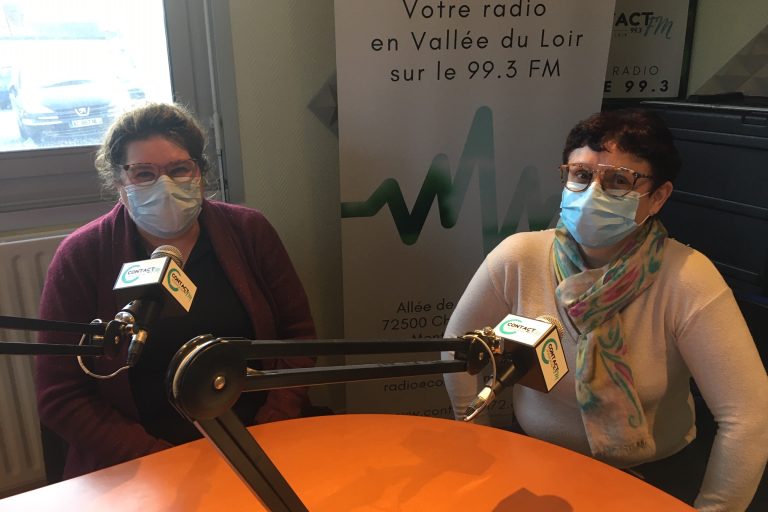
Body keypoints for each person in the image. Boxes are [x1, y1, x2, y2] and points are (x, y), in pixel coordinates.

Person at [442, 109, 768, 511]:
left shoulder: (687, 278)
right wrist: (474, 437)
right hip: (533, 461)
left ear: (658, 197)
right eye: (581, 175)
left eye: (619, 181)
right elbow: (458, 348)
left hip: (649, 477)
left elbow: (748, 416)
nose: (592, 193)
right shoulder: (520, 257)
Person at [36, 103, 317, 479]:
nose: (164, 185)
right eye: (144, 174)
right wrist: (158, 459)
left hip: (258, 440)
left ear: (199, 173)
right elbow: (60, 394)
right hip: (143, 461)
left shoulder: (250, 232)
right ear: (119, 183)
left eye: (179, 169)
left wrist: (271, 425)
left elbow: (298, 340)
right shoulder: (82, 256)